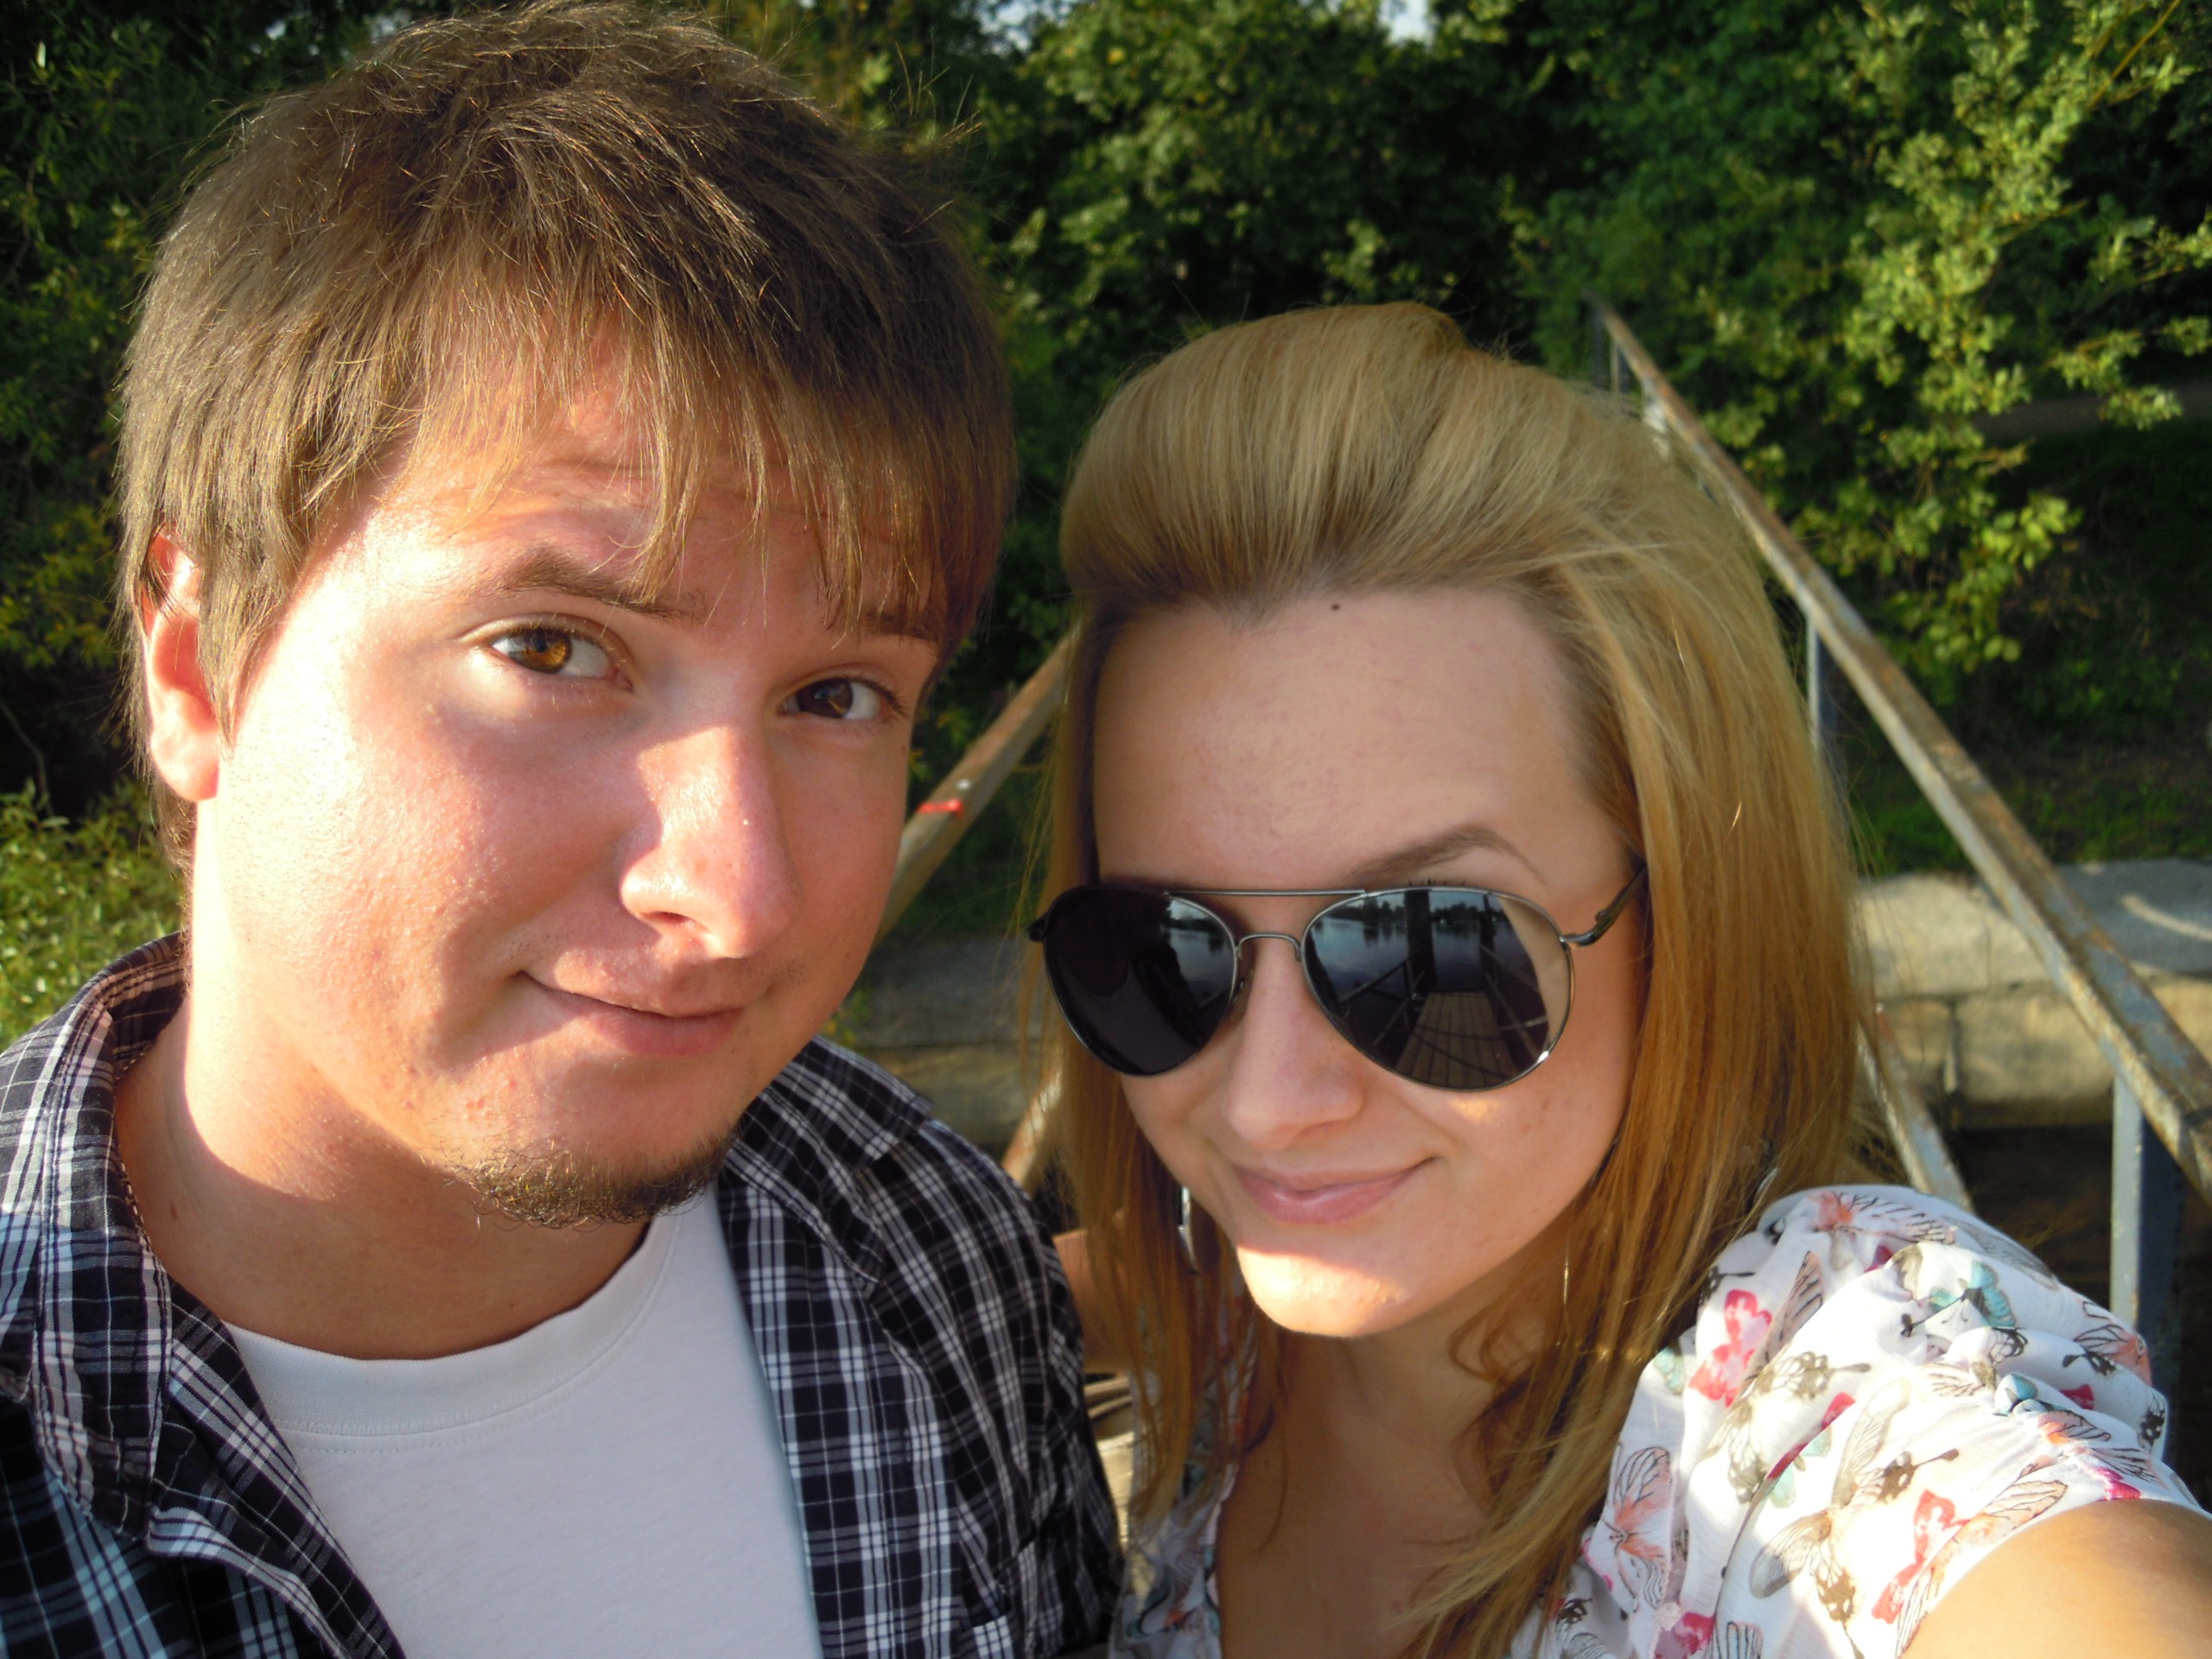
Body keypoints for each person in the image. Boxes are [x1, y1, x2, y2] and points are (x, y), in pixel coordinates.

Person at [0, 6, 1117, 1656]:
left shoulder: (932, 1254)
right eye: (550, 650)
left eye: (835, 695)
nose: (734, 895)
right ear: (194, 668)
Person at [1027, 303, 2212, 1659]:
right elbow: (1090, 1283)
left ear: (1684, 918)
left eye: (1429, 951)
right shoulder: (1237, 1311)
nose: (1265, 1105)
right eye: (1161, 954)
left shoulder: (1828, 1400)